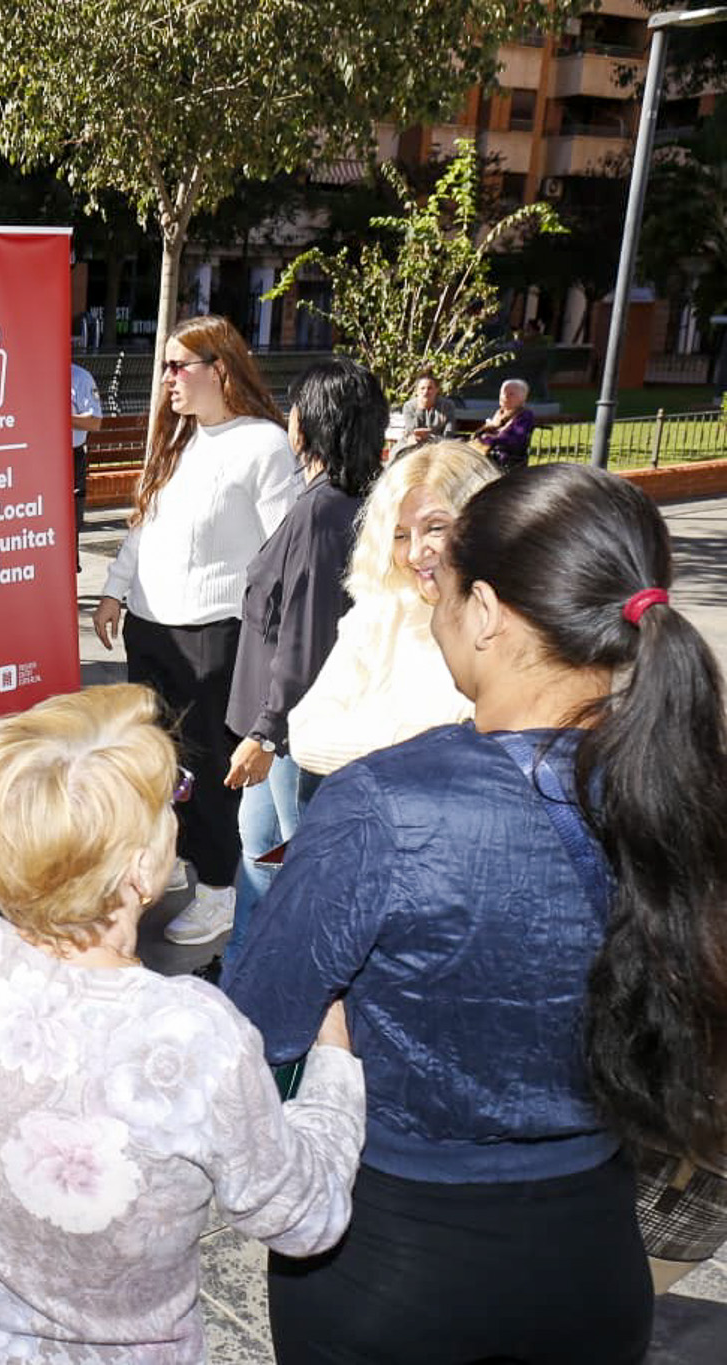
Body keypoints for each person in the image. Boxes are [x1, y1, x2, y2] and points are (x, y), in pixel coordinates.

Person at [226, 462, 727, 1364]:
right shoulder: (687, 789)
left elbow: (258, 1020)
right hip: (594, 1267)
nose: (433, 611)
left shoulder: (387, 802)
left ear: (487, 611)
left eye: (445, 592)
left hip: (393, 1264)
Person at [0, 684, 364, 1364]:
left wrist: (19, 842)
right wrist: (334, 1064)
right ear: (141, 870)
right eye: (172, 795)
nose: (181, 804)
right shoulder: (193, 1038)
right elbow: (304, 1217)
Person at [93, 316, 296, 946]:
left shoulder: (262, 445)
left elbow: (281, 552)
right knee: (162, 765)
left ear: (221, 369)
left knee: (208, 770)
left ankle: (219, 888)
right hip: (150, 631)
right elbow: (143, 524)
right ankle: (187, 861)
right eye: (165, 366)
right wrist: (113, 589)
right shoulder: (177, 440)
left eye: (179, 366)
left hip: (214, 637)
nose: (167, 379)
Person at [219, 359, 384, 952]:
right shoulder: (350, 501)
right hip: (294, 724)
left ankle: (276, 990)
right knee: (261, 850)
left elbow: (306, 634)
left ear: (308, 426)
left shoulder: (321, 510)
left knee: (298, 865)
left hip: (293, 730)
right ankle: (246, 967)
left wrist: (265, 735)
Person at [286, 441, 497, 778]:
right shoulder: (379, 616)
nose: (415, 553)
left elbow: (489, 755)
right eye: (400, 535)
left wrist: (366, 731)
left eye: (436, 528)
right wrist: (420, 740)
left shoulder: (511, 627)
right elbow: (305, 734)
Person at [472, 377, 536, 470]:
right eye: (503, 393)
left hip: (506, 458)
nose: (505, 396)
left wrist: (490, 440)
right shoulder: (500, 413)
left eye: (511, 394)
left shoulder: (524, 415)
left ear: (522, 398)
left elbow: (516, 439)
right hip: (490, 454)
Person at [70, 360, 105, 530]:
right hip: (40, 457)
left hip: (71, 458)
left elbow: (94, 422)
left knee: (71, 525)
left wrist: (59, 416)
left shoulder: (79, 377)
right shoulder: (38, 375)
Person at [394, 371, 455, 448]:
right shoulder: (408, 406)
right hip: (413, 442)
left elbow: (449, 433)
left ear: (436, 390)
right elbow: (410, 430)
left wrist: (430, 438)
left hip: (439, 444)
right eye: (422, 388)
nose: (425, 392)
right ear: (417, 391)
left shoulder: (447, 406)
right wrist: (420, 409)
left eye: (429, 388)